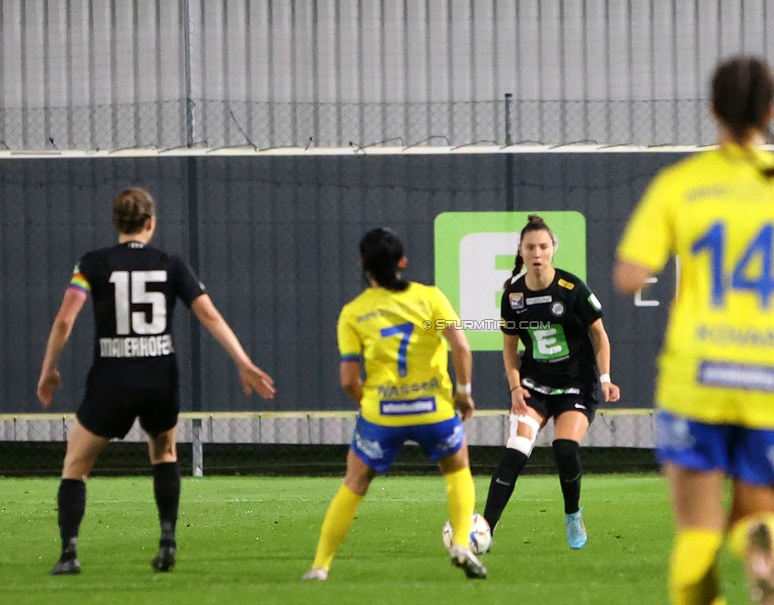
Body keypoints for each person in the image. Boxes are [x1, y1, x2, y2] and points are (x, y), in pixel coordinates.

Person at [613, 56, 774, 605]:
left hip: (697, 376)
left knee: (696, 533)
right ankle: (761, 544)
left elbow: (629, 276)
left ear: (712, 108)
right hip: (773, 376)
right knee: (759, 516)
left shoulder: (681, 184)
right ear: (770, 111)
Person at [37, 187, 276, 576]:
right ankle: (167, 541)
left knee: (76, 463)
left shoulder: (92, 264)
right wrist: (244, 362)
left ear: (117, 223)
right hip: (159, 378)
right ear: (151, 223)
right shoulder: (171, 264)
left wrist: (49, 368)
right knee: (164, 454)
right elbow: (209, 315)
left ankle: (69, 553)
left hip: (111, 379)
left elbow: (65, 319)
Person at [302, 227, 486, 581]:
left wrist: (368, 402)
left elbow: (347, 379)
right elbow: (461, 347)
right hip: (433, 409)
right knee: (457, 469)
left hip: (383, 414)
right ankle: (462, 542)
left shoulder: (354, 313)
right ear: (403, 262)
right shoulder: (429, 299)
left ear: (362, 264)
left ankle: (321, 566)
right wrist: (463, 392)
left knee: (355, 481)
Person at [482, 215, 620, 550]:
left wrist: (605, 378)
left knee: (564, 448)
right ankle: (483, 530)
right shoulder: (513, 296)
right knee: (515, 452)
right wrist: (516, 388)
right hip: (534, 386)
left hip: (576, 384)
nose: (537, 253)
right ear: (521, 251)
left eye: (543, 246)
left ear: (553, 249)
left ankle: (573, 513)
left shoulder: (572, 289)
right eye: (530, 247)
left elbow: (599, 335)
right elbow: (510, 347)